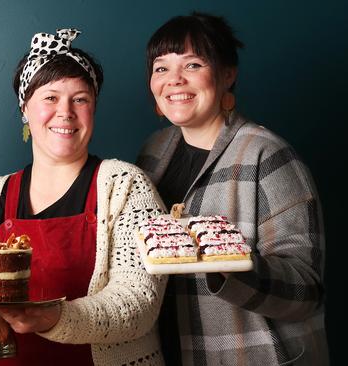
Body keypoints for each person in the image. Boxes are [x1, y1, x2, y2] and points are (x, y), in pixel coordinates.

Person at [0, 28, 166, 366]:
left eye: (80, 99)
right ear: (25, 108)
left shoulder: (125, 185)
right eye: (50, 97)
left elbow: (139, 304)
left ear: (93, 108)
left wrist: (54, 318)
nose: (65, 112)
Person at [136, 12, 329, 365]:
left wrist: (229, 266)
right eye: (161, 68)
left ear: (227, 74)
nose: (174, 80)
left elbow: (306, 290)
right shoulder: (152, 153)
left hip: (252, 355)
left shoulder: (267, 155)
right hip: (170, 352)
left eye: (193, 64)